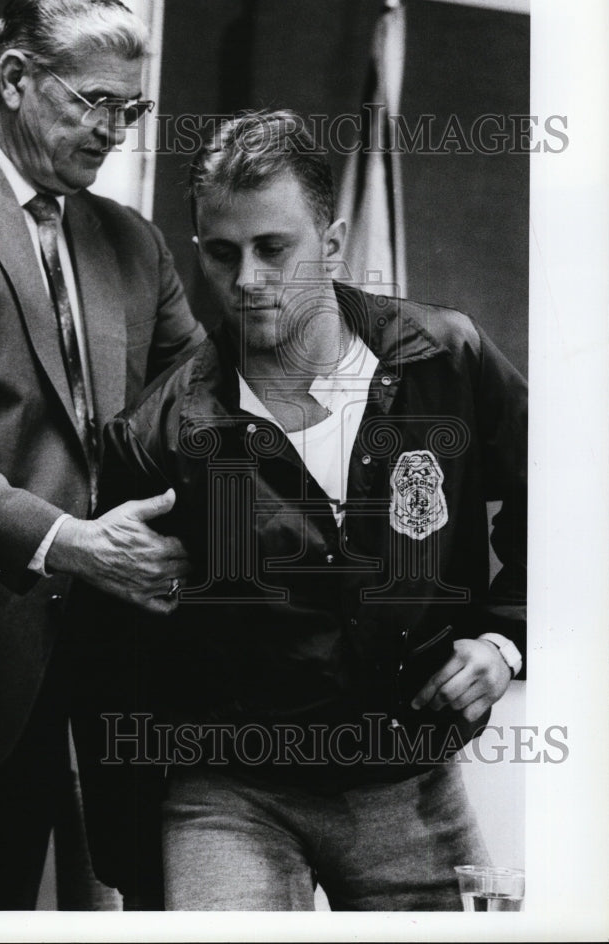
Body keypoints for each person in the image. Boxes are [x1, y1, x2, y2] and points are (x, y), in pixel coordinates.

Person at [87, 110, 527, 910]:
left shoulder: (445, 361)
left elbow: (568, 502)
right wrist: (134, 864)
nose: (248, 279)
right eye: (222, 254)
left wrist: (505, 638)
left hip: (407, 780)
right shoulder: (158, 432)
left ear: (332, 241)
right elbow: (118, 660)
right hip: (229, 791)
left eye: (273, 248)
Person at [0, 0, 203, 911]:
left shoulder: (134, 242)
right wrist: (67, 541)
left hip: (124, 657)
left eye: (133, 110)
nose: (116, 133)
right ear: (13, 77)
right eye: (95, 104)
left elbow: (206, 409)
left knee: (138, 898)